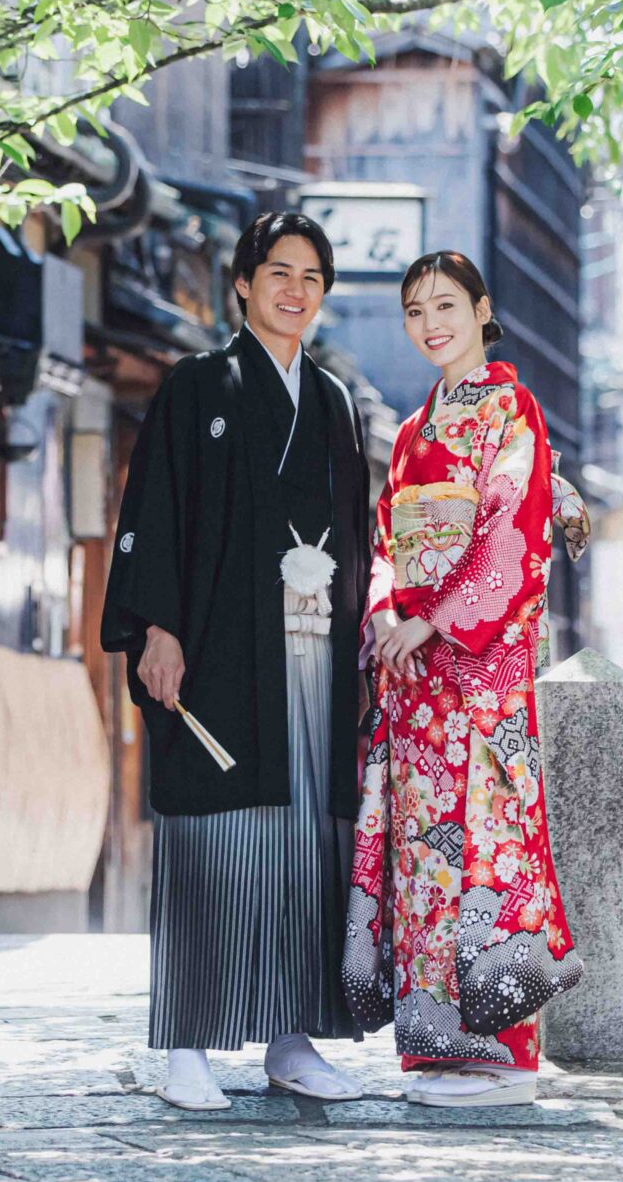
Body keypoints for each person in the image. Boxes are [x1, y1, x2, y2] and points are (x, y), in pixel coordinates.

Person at [102, 212, 372, 1110]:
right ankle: (186, 1039)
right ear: (243, 285)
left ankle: (292, 1038)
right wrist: (156, 628)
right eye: (280, 272)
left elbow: (361, 538)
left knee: (305, 843)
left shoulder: (332, 401)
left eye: (313, 277)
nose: (297, 290)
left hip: (313, 652)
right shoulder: (197, 386)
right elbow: (156, 511)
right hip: (221, 646)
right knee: (214, 837)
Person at [343, 249, 584, 1107]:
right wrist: (381, 613)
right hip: (416, 680)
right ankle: (439, 1046)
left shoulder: (511, 411)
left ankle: (506, 1050)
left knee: (487, 846)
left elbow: (509, 531)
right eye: (415, 310)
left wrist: (430, 618)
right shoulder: (411, 433)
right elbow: (385, 541)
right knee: (424, 858)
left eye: (446, 304)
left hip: (477, 676)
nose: (430, 322)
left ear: (482, 310)